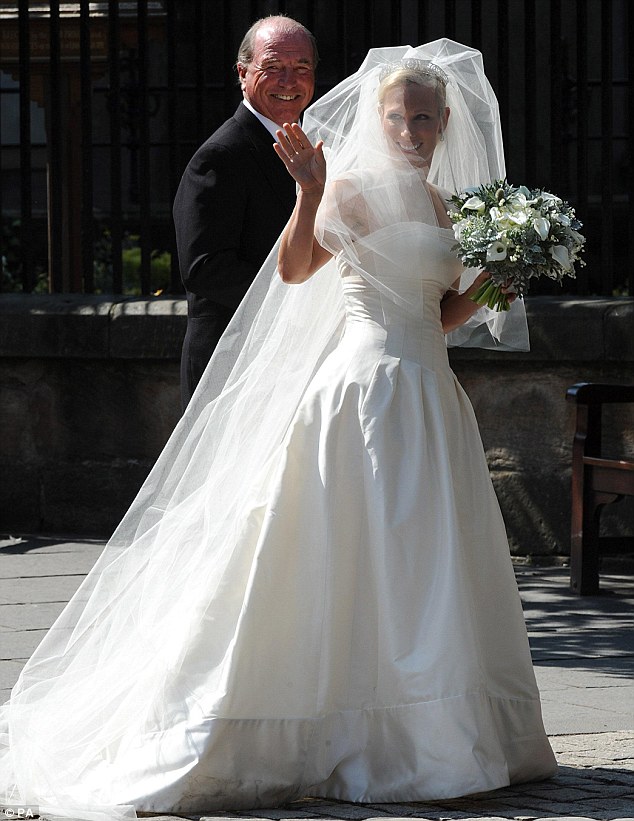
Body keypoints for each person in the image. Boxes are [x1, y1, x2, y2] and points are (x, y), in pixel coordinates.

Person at [0, 40, 556, 821]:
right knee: (358, 549)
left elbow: (440, 313)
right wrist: (307, 193)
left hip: (431, 391)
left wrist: (500, 275)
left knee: (425, 558)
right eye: (400, 115)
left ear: (444, 123)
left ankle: (438, 729)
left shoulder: (438, 205)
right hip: (366, 389)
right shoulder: (349, 186)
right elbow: (294, 271)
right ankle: (353, 730)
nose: (413, 129)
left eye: (426, 118)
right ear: (378, 114)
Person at [173, 14, 317, 409]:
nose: (289, 81)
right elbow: (204, 268)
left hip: (300, 364)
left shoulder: (317, 145)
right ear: (242, 73)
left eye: (301, 68)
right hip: (233, 364)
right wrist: (300, 304)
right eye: (272, 68)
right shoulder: (221, 156)